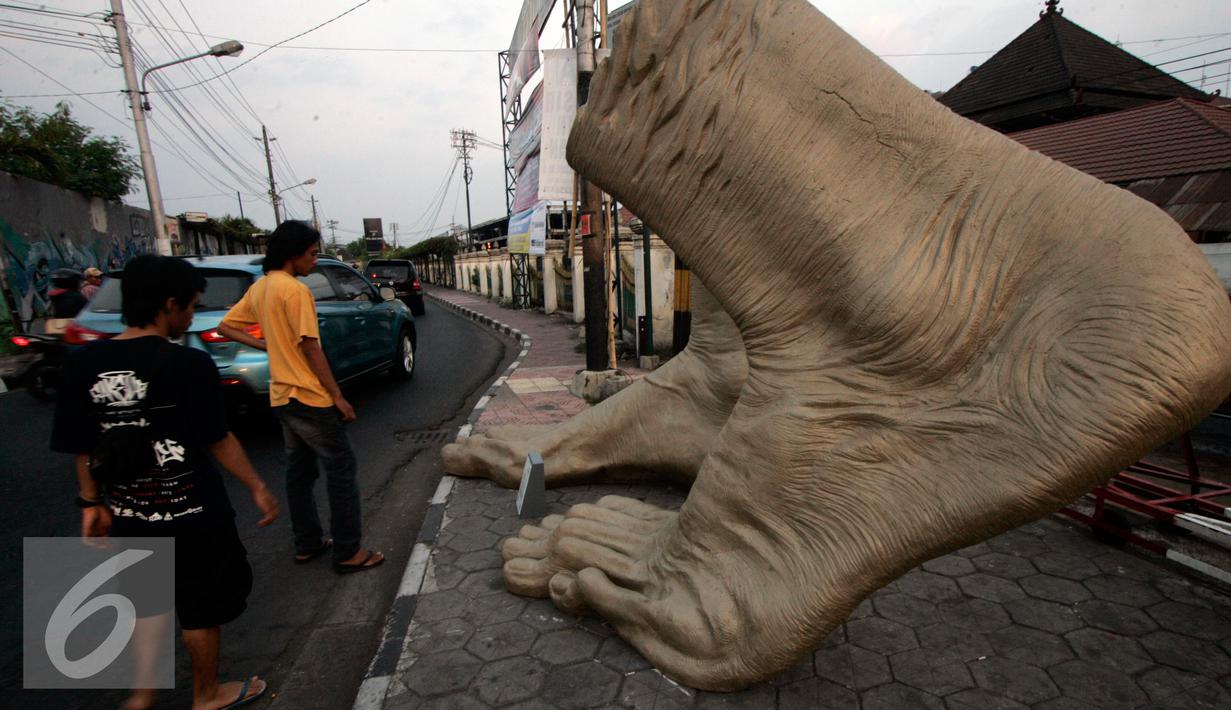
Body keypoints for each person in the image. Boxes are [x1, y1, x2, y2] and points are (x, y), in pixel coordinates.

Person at [51, 255, 279, 710]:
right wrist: (256, 485)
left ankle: (141, 695)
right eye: (191, 306)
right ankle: (207, 695)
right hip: (195, 512)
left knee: (145, 601)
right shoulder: (189, 364)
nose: (192, 315)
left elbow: (83, 442)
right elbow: (217, 439)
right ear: (169, 304)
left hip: (130, 512)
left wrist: (91, 501)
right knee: (200, 607)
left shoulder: (84, 363)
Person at [218, 221, 384, 573]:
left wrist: (266, 345)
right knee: (340, 468)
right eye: (310, 254)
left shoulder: (262, 288)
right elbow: (312, 348)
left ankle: (307, 543)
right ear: (293, 254)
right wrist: (337, 396)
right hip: (308, 395)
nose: (314, 261)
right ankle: (348, 551)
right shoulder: (295, 291)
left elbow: (226, 326)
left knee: (299, 472)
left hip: (280, 395)